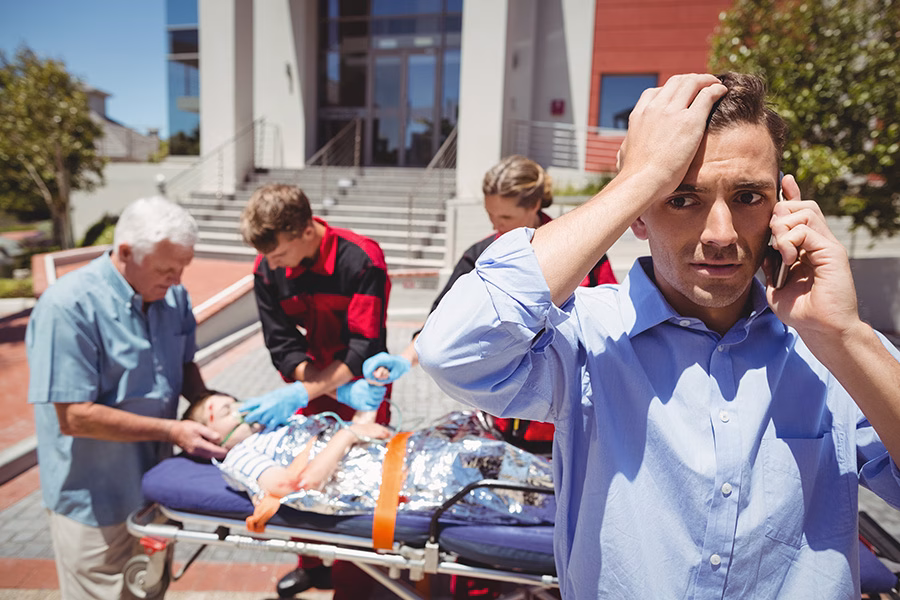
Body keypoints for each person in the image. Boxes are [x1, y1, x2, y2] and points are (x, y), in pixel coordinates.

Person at [415, 72, 900, 598]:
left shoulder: (830, 345)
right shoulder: (588, 337)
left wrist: (845, 336)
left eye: (747, 196)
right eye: (681, 198)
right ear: (638, 216)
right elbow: (452, 350)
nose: (720, 234)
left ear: (782, 207)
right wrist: (638, 179)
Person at [26, 196, 228, 599]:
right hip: (93, 499)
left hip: (156, 490)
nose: (176, 279)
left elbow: (186, 365)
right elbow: (75, 417)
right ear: (125, 253)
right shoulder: (68, 307)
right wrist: (173, 430)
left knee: (150, 589)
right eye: (166, 268)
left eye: (183, 268)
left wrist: (212, 406)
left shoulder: (173, 297)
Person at [367, 155, 618, 453]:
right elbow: (440, 322)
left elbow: (609, 324)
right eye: (490, 215)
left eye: (506, 218)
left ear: (535, 206)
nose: (496, 225)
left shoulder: (583, 252)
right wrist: (405, 359)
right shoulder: (481, 255)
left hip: (567, 421)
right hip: (500, 420)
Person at [239, 182, 393, 598]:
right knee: (302, 468)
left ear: (307, 231)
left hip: (363, 383)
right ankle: (311, 563)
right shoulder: (267, 267)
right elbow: (281, 342)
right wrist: (309, 387)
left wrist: (325, 390)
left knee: (356, 478)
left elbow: (365, 344)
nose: (275, 265)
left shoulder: (361, 259)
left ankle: (354, 579)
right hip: (308, 381)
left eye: (280, 254)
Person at [183, 392, 554, 531]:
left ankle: (560, 486)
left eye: (233, 399)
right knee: (483, 461)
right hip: (391, 476)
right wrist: (347, 436)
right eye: (224, 411)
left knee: (470, 427)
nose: (239, 408)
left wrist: (359, 422)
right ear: (212, 437)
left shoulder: (278, 427)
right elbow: (289, 485)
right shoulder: (240, 455)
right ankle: (564, 501)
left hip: (390, 456)